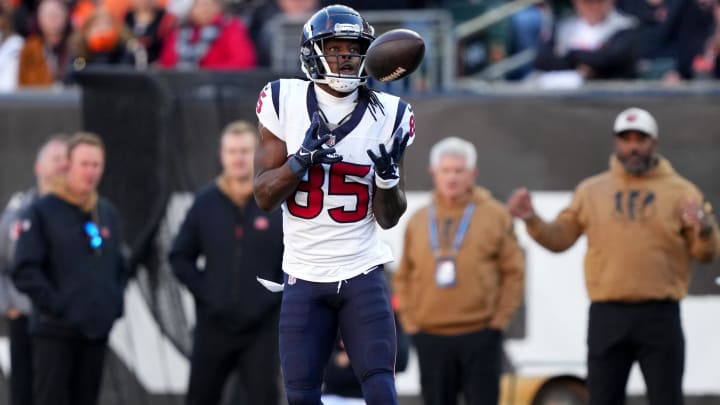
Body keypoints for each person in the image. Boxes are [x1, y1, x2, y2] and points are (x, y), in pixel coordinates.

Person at [253, 4, 415, 404]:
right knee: (301, 395)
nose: (345, 57)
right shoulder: (282, 99)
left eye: (354, 49)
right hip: (304, 274)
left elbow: (388, 217)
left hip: (361, 269)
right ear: (312, 51)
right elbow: (263, 197)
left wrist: (389, 180)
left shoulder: (390, 114)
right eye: (336, 47)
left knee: (381, 391)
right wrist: (299, 162)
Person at [506, 107, 720, 405]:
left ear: (654, 143)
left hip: (660, 312)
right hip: (608, 313)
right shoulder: (592, 191)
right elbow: (561, 238)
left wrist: (706, 230)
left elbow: (704, 254)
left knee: (667, 397)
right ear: (615, 143)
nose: (632, 146)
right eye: (626, 138)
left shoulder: (681, 192)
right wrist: (532, 219)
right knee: (603, 397)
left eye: (640, 139)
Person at [392, 136, 525, 405]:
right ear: (434, 173)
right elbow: (403, 274)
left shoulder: (495, 215)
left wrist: (499, 321)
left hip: (480, 334)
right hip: (430, 336)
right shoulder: (418, 220)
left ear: (472, 174)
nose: (452, 178)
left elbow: (514, 272)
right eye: (446, 171)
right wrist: (410, 321)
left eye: (458, 171)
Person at [169, 121, 284, 405]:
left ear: (256, 154)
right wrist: (209, 294)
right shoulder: (205, 203)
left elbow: (294, 260)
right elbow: (179, 257)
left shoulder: (275, 204)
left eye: (244, 150)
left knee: (264, 398)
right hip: (213, 326)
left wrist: (269, 299)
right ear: (222, 156)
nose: (238, 157)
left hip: (261, 329)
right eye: (232, 151)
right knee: (200, 398)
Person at [11, 132, 130, 405]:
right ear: (68, 165)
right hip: (55, 333)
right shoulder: (42, 210)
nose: (90, 172)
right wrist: (59, 306)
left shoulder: (106, 212)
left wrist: (112, 304)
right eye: (84, 164)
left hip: (95, 332)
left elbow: (119, 264)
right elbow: (24, 269)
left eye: (96, 165)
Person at [0, 134, 68, 405]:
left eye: (67, 160)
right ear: (38, 167)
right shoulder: (19, 213)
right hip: (26, 318)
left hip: (65, 321)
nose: (62, 165)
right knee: (24, 391)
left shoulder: (83, 213)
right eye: (56, 159)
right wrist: (9, 305)